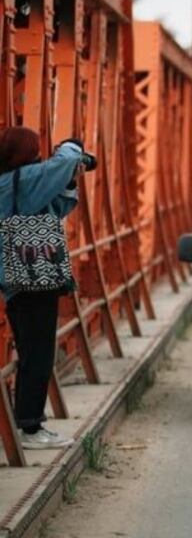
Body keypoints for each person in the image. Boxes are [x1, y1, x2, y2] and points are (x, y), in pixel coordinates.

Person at [0, 128, 84, 450]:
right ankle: (30, 428)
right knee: (39, 353)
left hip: (15, 280)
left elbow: (57, 209)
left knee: (30, 351)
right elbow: (65, 161)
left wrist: (71, 180)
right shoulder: (27, 176)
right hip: (35, 277)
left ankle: (27, 423)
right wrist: (71, 146)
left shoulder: (11, 182)